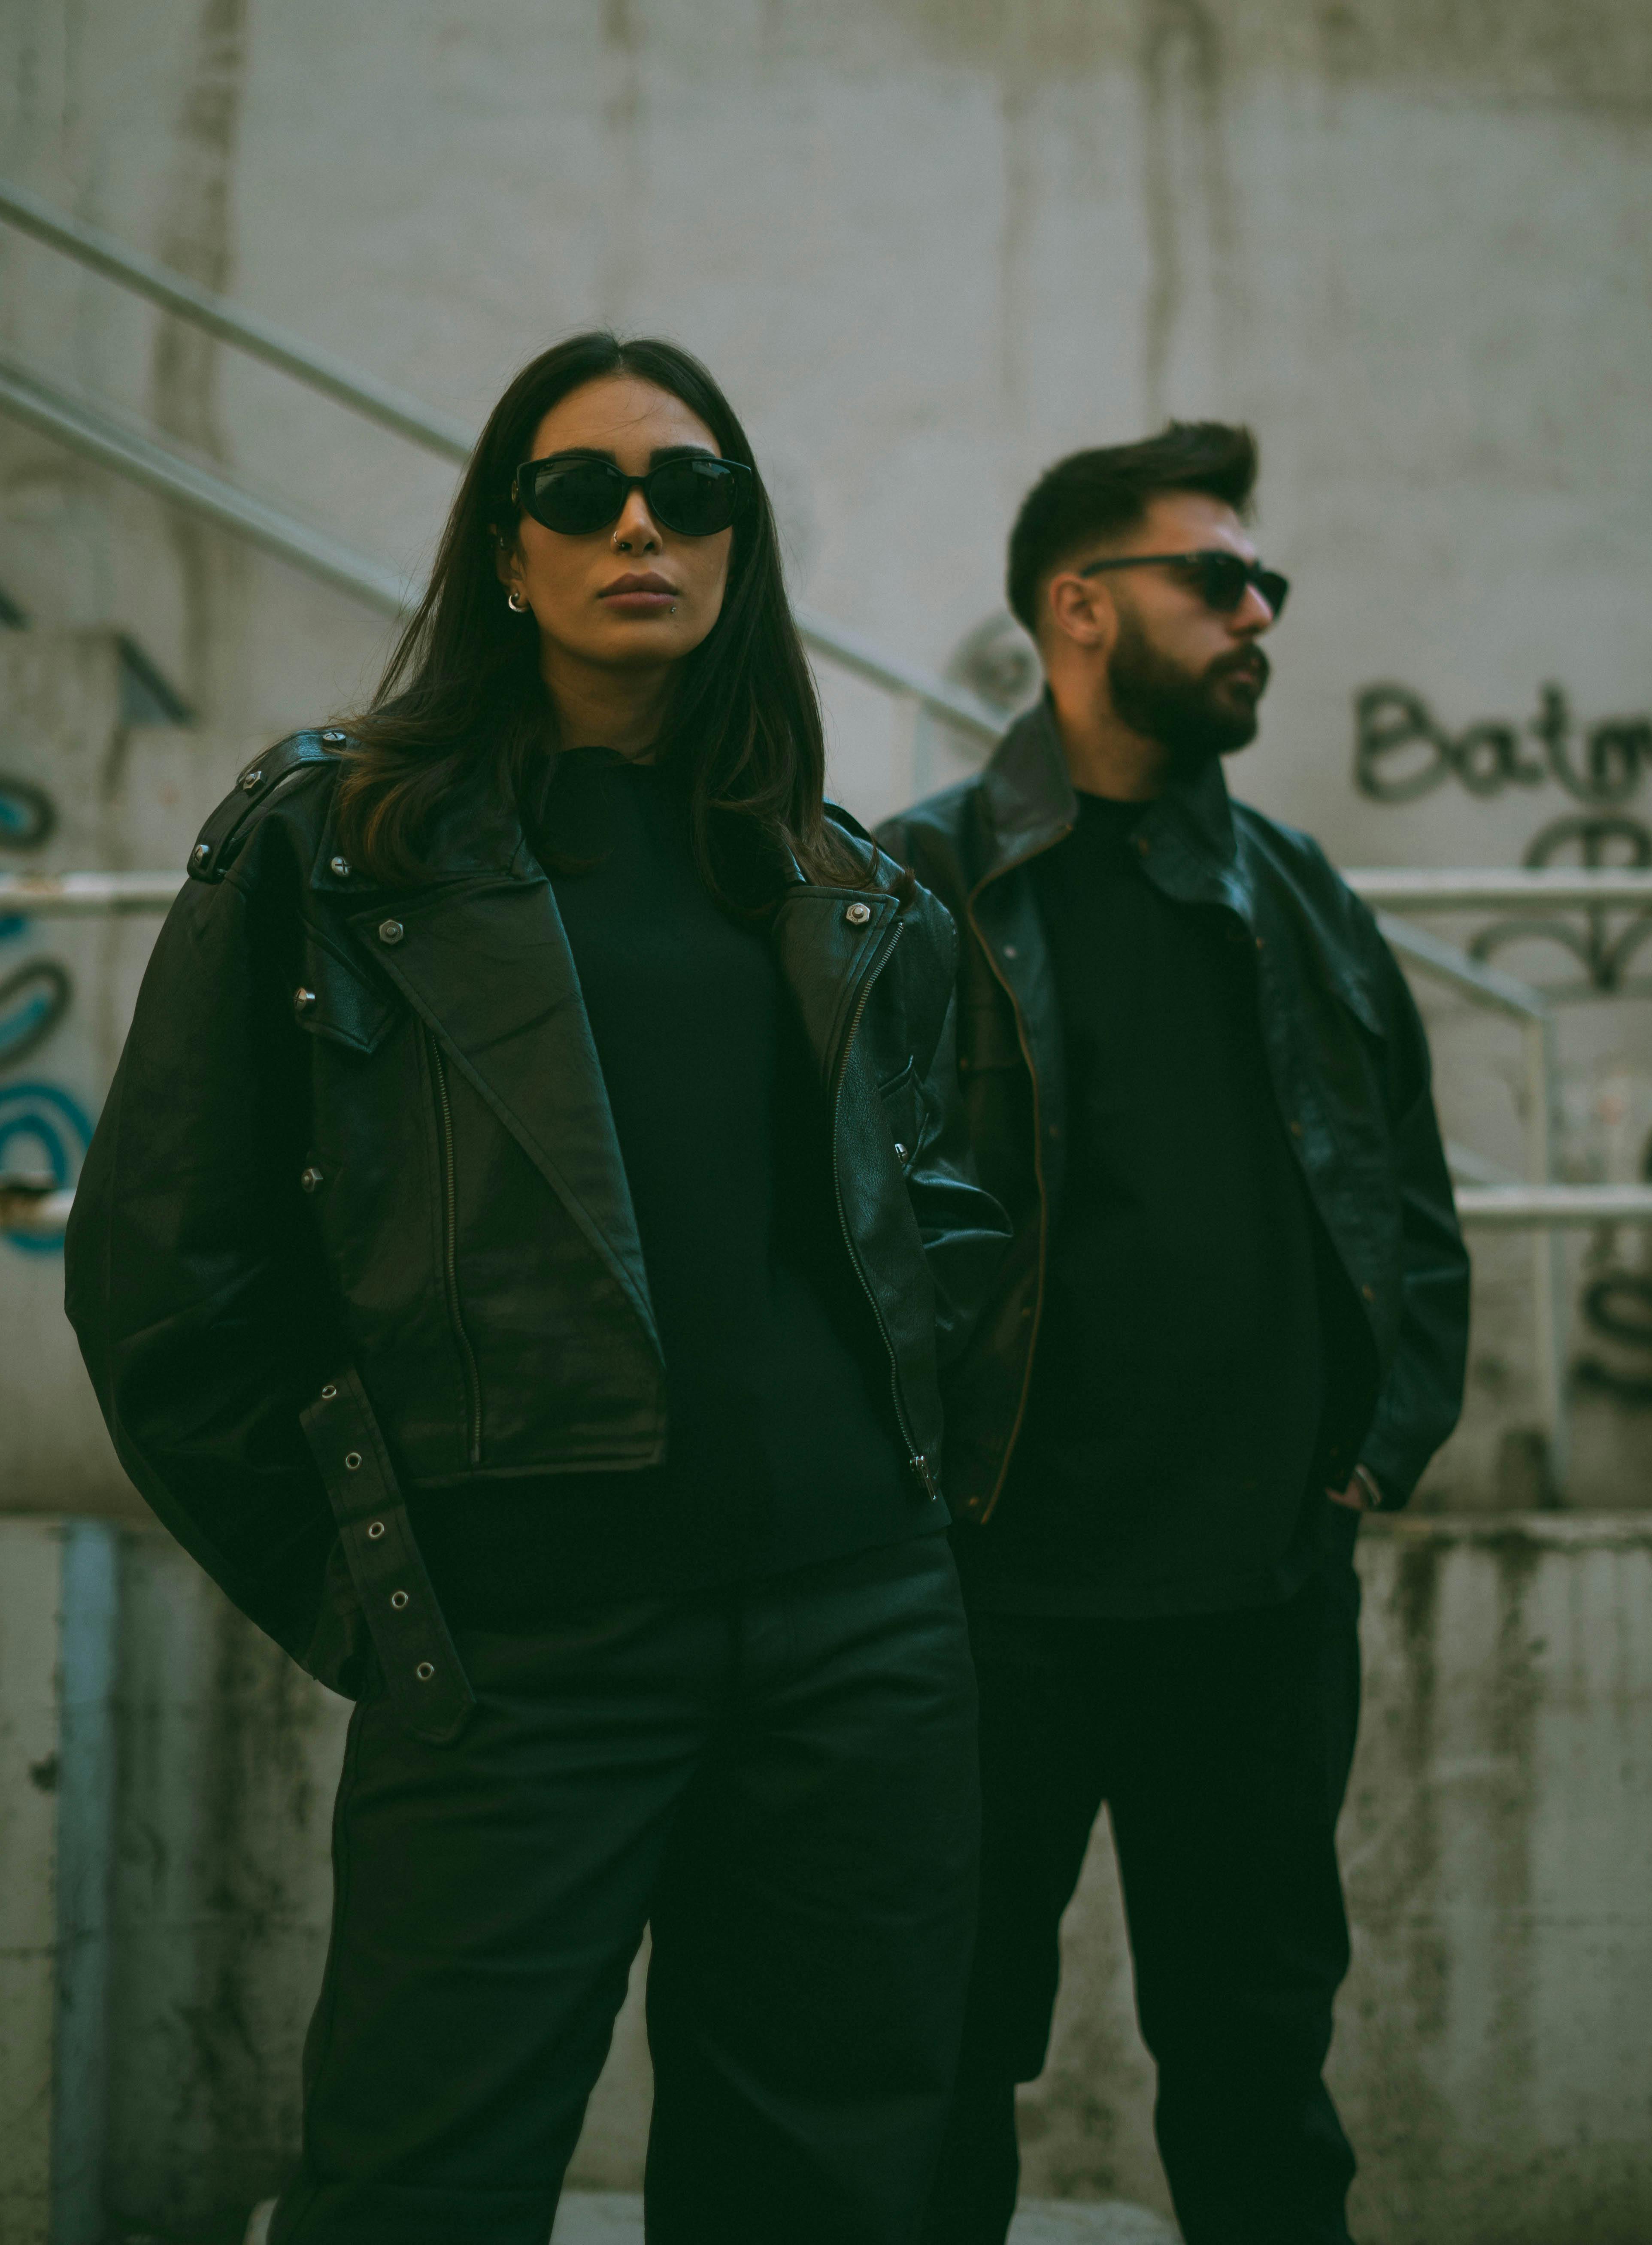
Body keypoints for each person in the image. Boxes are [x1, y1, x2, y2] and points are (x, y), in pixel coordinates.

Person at [65, 330, 1010, 2245]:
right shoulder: (337, 850)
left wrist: (923, 1531)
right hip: (520, 1651)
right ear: (506, 551)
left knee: (830, 2180)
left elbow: (949, 1245)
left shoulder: (844, 885)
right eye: (579, 491)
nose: (638, 525)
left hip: (855, 1636)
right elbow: (166, 1267)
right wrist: (380, 1589)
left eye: (692, 491)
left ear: (739, 545)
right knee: (421, 2179)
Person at [877, 422, 1469, 2245]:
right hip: (998, 1606)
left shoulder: (1296, 896)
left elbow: (1412, 1212)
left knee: (1258, 2071)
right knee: (939, 2061)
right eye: (1216, 578)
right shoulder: (924, 890)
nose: (1257, 614)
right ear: (1077, 608)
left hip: (1259, 1605)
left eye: (1262, 582)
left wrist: (1380, 1445)